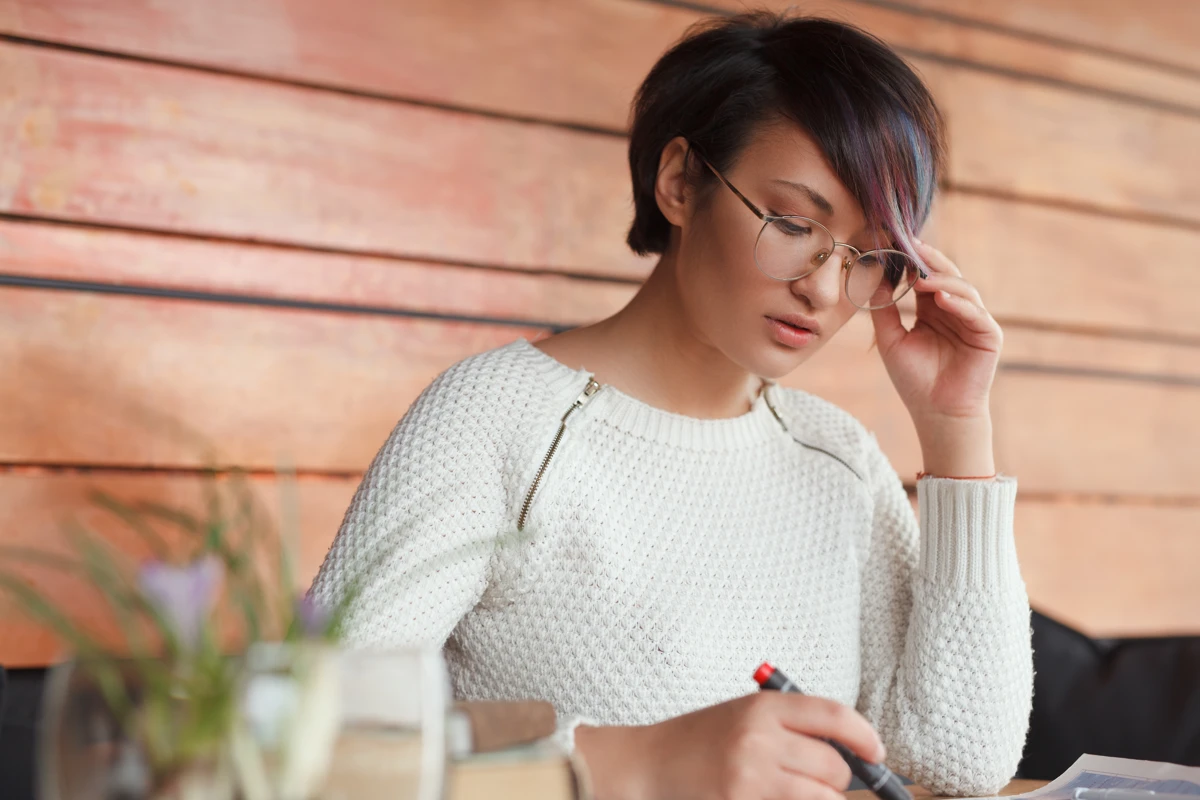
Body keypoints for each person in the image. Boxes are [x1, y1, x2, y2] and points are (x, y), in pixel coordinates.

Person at [310, 11, 1033, 800]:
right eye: (793, 223)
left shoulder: (839, 460)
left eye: (868, 257)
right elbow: (314, 736)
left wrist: (956, 428)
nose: (825, 289)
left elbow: (960, 763)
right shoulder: (497, 420)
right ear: (681, 181)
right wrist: (643, 765)